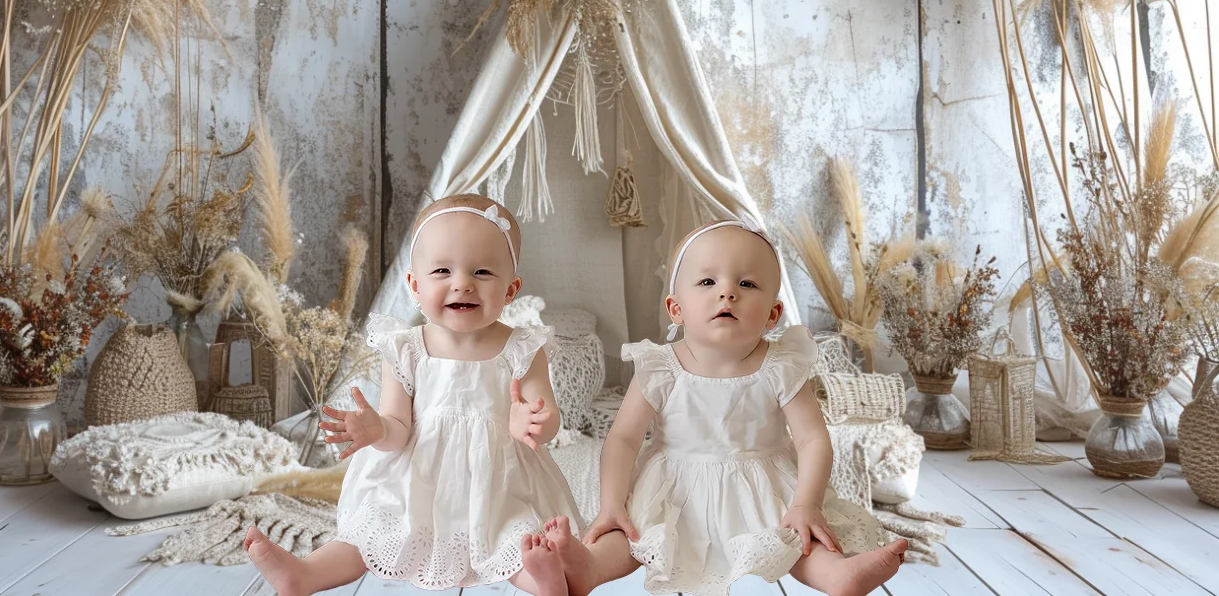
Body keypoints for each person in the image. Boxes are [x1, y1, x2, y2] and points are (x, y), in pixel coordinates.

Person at [541, 221, 908, 596]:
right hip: (674, 485)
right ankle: (589, 566)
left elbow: (813, 439)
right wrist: (610, 504)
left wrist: (806, 504)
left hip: (763, 484)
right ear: (676, 308)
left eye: (746, 284)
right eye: (707, 283)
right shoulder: (660, 367)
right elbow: (622, 439)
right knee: (633, 534)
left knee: (796, 538)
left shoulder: (781, 366)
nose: (727, 293)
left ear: (772, 314)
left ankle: (837, 575)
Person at [244, 194, 580, 596]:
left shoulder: (523, 348)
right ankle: (305, 574)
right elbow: (398, 428)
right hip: (415, 480)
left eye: (483, 271)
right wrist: (375, 428)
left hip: (498, 481)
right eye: (442, 270)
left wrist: (533, 422)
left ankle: (542, 580)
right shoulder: (406, 348)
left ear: (511, 289)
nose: (462, 282)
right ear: (415, 286)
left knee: (516, 537)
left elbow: (547, 415)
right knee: (370, 535)